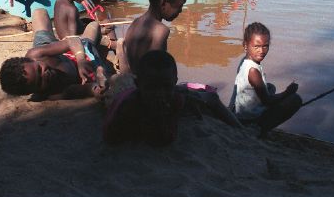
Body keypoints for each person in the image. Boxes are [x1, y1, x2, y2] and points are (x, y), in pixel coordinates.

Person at [103, 49, 241, 146]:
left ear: (175, 83)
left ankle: (241, 130)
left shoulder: (172, 97)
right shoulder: (130, 107)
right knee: (116, 80)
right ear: (138, 85)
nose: (159, 93)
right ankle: (114, 59)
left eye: (166, 87)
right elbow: (113, 137)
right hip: (125, 91)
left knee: (210, 98)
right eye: (153, 88)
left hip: (166, 93)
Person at [0, 8, 112, 101]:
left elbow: (71, 41)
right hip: (78, 52)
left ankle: (59, 43)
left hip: (49, 48)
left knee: (39, 12)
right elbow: (79, 90)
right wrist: (95, 89)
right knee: (94, 26)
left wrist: (81, 60)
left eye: (39, 69)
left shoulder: (36, 54)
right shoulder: (53, 93)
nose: (45, 74)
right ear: (35, 91)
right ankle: (83, 33)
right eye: (39, 82)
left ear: (31, 60)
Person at [231, 22, 302, 138]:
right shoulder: (253, 71)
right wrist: (287, 92)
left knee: (270, 87)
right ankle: (261, 129)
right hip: (248, 118)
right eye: (256, 46)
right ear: (245, 45)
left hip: (241, 111)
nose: (262, 51)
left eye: (265, 46)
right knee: (295, 99)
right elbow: (267, 100)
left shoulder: (245, 61)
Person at [122, 0, 188, 72]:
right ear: (164, 4)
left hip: (136, 84)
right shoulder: (160, 31)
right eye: (179, 6)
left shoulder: (135, 23)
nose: (180, 10)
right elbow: (157, 73)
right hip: (147, 86)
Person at [53, 0, 117, 51]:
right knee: (109, 27)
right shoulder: (72, 9)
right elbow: (73, 39)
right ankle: (115, 50)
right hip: (71, 46)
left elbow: (69, 24)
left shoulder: (59, 0)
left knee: (105, 22)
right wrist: (101, 31)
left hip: (66, 39)